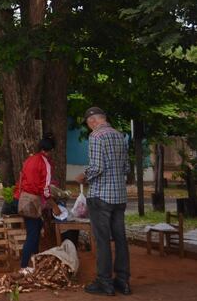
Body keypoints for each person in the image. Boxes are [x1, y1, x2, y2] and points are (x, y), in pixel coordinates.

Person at [75, 107, 131, 296]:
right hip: (119, 196)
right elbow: (126, 168)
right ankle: (123, 281)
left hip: (101, 196)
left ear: (92, 122)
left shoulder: (96, 137)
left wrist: (84, 176)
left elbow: (97, 167)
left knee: (102, 241)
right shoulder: (120, 136)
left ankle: (104, 281)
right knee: (121, 239)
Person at [14, 137, 61, 274]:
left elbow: (23, 177)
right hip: (31, 200)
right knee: (33, 233)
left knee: (36, 227)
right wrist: (54, 206)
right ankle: (24, 266)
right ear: (50, 150)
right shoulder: (45, 163)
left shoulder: (30, 159)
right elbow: (45, 188)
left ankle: (34, 259)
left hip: (21, 197)